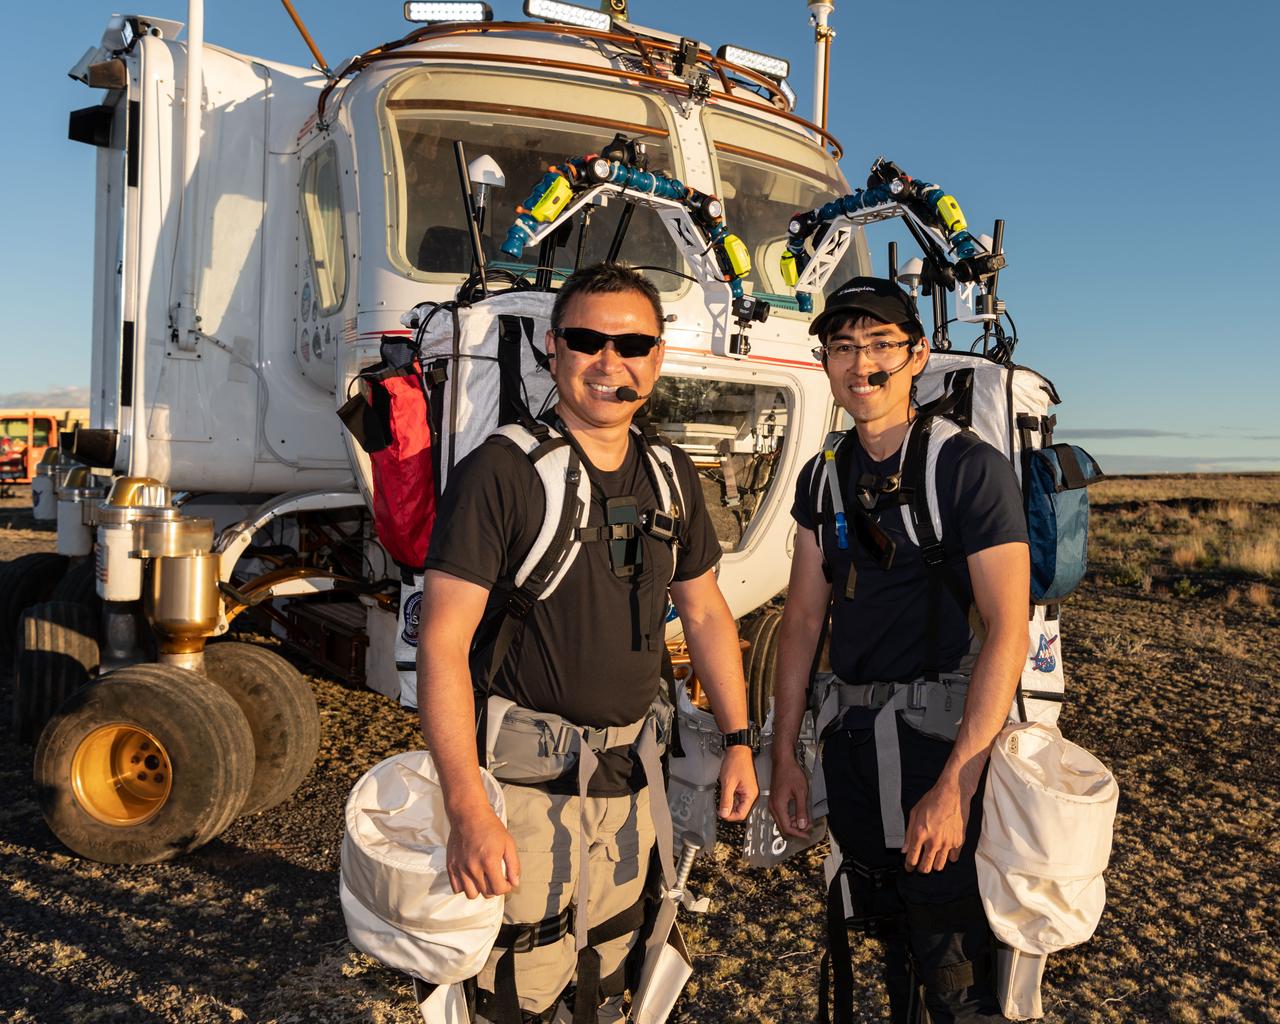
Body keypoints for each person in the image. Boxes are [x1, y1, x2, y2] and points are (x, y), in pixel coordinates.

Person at [418, 263, 759, 1023]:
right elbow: (442, 646)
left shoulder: (669, 474)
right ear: (552, 348)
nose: (611, 362)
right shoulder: (503, 472)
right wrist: (468, 809)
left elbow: (704, 614)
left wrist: (739, 739)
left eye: (633, 343)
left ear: (659, 356)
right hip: (524, 791)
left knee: (611, 965)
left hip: (633, 783)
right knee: (517, 983)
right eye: (586, 341)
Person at [767, 277, 1031, 1022]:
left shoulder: (965, 468)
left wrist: (957, 786)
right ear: (824, 362)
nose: (863, 364)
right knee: (885, 939)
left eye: (882, 344)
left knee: (954, 964)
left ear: (917, 354)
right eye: (843, 347)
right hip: (855, 753)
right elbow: (801, 620)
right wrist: (784, 752)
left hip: (938, 752)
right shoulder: (826, 474)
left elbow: (1009, 629)